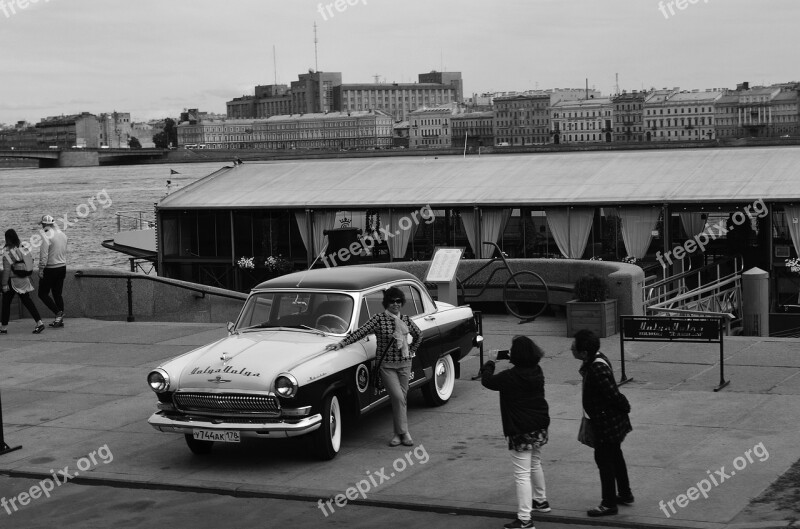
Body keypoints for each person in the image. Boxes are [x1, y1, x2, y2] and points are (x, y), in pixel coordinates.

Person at [326, 286, 422, 447]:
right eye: (392, 301)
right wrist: (341, 344)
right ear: (386, 303)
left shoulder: (406, 320)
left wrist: (411, 351)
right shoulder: (378, 319)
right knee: (398, 397)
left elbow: (419, 335)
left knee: (401, 400)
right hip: (387, 366)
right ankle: (405, 432)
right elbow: (360, 332)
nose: (395, 304)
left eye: (398, 301)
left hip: (405, 364)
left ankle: (398, 435)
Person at [481, 336, 551, 529]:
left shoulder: (510, 377)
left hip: (520, 430)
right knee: (535, 463)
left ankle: (525, 519)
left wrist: (491, 361)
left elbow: (487, 381)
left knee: (521, 475)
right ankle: (541, 501)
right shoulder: (537, 371)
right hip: (539, 426)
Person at [571, 329, 633, 517]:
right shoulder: (595, 360)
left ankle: (608, 504)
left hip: (606, 424)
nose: (571, 348)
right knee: (615, 456)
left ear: (584, 353)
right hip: (609, 421)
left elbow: (614, 395)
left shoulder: (597, 368)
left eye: (574, 346)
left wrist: (625, 407)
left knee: (604, 461)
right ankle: (624, 493)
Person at [1, 229, 45, 334]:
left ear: (7, 238)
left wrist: (4, 284)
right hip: (24, 279)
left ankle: (3, 327)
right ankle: (39, 322)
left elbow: (7, 270)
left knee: (6, 303)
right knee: (27, 301)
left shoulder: (8, 251)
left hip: (14, 281)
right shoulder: (23, 247)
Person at [37, 214, 67, 328]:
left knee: (42, 293)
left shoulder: (46, 236)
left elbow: (43, 255)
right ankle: (60, 320)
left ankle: (58, 313)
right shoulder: (63, 234)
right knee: (57, 294)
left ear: (45, 224)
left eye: (42, 225)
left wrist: (40, 270)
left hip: (50, 268)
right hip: (62, 267)